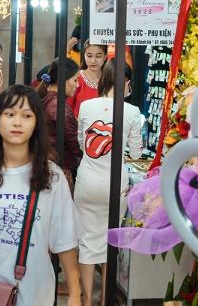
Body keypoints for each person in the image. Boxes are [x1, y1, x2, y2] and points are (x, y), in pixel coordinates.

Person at [0, 85, 81, 306]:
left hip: (35, 294)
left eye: (27, 115)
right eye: (10, 114)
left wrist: (75, 294)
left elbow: (65, 240)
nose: (17, 122)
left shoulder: (52, 177)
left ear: (36, 123)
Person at [75, 62, 142, 306]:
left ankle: (86, 301)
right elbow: (135, 151)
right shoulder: (132, 112)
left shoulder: (85, 106)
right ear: (126, 82)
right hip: (115, 185)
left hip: (87, 182)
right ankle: (105, 300)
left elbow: (83, 145)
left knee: (87, 242)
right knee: (110, 241)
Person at [37, 57, 82, 187]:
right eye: (75, 80)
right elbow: (76, 145)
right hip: (59, 170)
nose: (77, 85)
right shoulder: (58, 107)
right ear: (64, 80)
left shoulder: (46, 99)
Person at [67, 43, 107, 117]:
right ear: (84, 55)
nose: (93, 60)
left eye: (98, 56)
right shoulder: (76, 78)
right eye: (89, 56)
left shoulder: (109, 79)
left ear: (105, 57)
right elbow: (66, 108)